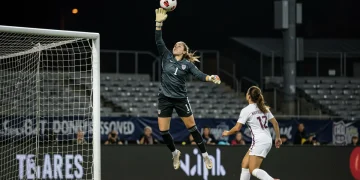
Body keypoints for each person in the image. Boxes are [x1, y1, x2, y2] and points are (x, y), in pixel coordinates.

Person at [154, 8, 221, 170]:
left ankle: (205, 156)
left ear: (184, 51)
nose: (176, 46)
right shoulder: (167, 56)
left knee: (192, 128)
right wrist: (158, 23)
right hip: (165, 98)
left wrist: (210, 77)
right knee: (163, 131)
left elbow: (199, 74)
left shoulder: (188, 64)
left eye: (179, 46)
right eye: (175, 44)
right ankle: (174, 153)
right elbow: (158, 40)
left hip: (180, 99)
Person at [222, 86, 281, 180]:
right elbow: (275, 123)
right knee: (245, 164)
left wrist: (227, 133)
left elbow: (237, 128)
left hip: (259, 141)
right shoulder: (264, 108)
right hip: (267, 140)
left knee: (253, 170)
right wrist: (278, 137)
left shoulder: (246, 110)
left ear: (249, 96)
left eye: (247, 93)